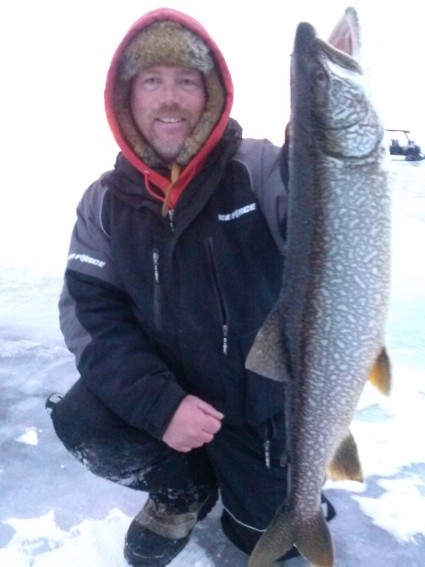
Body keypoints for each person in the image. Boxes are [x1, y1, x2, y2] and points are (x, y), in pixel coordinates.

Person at [46, 8, 335, 566]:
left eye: (186, 80)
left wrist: (317, 149)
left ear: (212, 94)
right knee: (85, 419)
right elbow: (91, 317)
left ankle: (270, 481)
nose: (170, 97)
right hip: (172, 401)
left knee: (268, 538)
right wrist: (161, 405)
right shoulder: (104, 202)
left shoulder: (262, 170)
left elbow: (317, 213)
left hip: (259, 411)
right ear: (126, 98)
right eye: (152, 81)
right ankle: (183, 488)